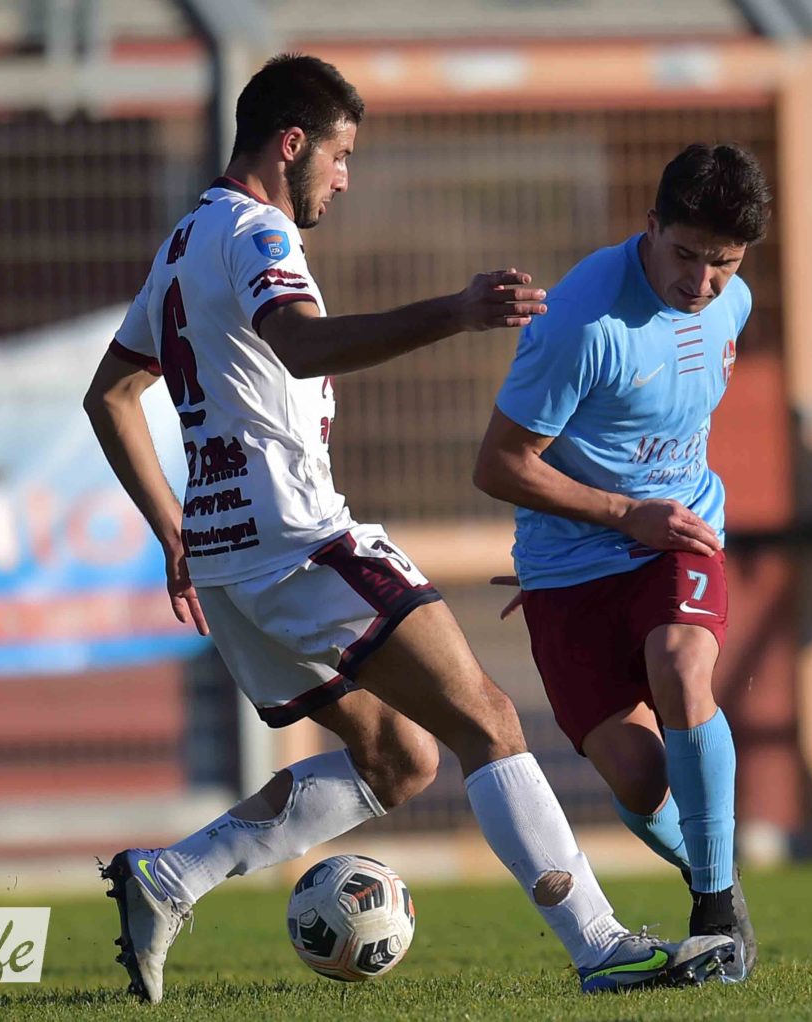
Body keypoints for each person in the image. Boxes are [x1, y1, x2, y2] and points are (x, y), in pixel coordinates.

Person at [83, 54, 735, 1003]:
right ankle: (601, 947)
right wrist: (456, 311)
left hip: (226, 563)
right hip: (298, 540)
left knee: (399, 758)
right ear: (292, 144)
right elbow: (299, 343)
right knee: (490, 720)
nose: (345, 177)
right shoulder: (259, 231)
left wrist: (173, 530)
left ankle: (169, 877)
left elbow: (110, 394)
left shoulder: (184, 240)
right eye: (341, 155)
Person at [474, 142, 770, 982]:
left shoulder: (733, 303)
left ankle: (714, 906)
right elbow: (498, 465)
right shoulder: (581, 322)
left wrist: (650, 519)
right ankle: (714, 869)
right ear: (650, 227)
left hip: (679, 535)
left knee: (681, 664)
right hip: (570, 565)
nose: (701, 282)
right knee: (639, 779)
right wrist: (613, 516)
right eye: (686, 254)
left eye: (723, 262)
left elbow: (672, 413)